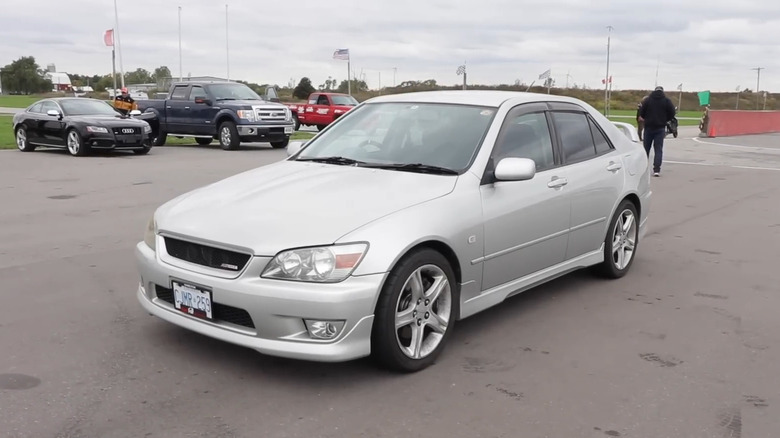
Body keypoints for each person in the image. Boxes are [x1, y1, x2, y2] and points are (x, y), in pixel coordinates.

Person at [638, 86, 676, 177]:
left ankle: (644, 168)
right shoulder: (667, 101)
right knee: (658, 149)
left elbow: (642, 112)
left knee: (646, 148)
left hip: (648, 127)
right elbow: (672, 112)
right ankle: (656, 169)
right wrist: (665, 119)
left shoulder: (648, 100)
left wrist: (646, 118)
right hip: (660, 127)